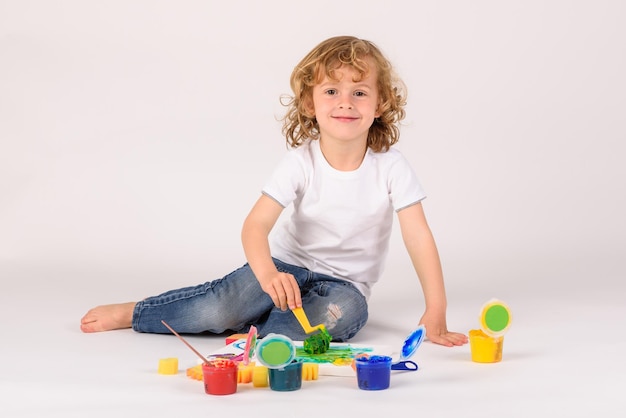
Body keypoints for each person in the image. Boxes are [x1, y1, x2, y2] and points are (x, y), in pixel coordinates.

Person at [80, 35, 468, 347]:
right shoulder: (301, 162)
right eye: (331, 91)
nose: (345, 103)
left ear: (380, 103)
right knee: (220, 309)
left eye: (360, 92)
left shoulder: (391, 166)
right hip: (283, 267)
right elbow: (255, 226)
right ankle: (136, 312)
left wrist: (436, 307)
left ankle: (259, 333)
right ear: (309, 104)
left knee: (341, 314)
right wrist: (266, 275)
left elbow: (418, 236)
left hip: (345, 286)